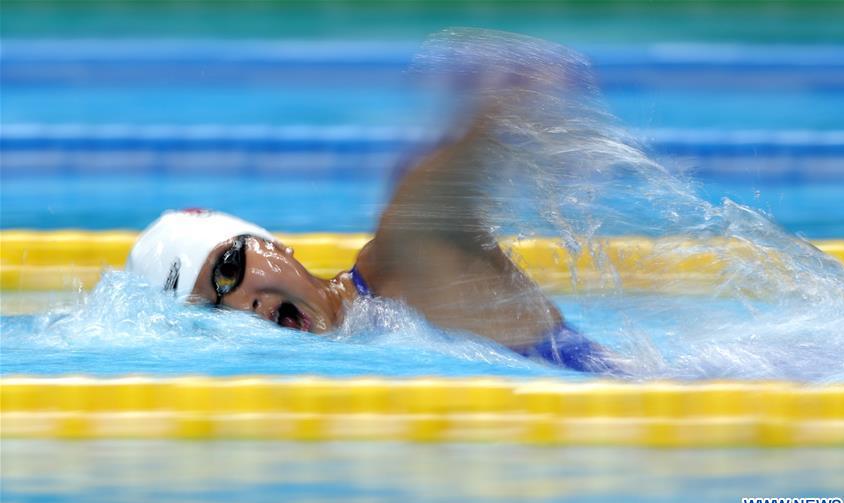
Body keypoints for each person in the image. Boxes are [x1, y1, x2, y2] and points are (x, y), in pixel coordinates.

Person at [127, 110, 619, 374]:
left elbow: (472, 152)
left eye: (229, 269)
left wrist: (496, 103)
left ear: (273, 246)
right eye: (213, 312)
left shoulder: (403, 262)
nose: (243, 306)